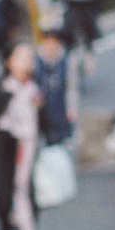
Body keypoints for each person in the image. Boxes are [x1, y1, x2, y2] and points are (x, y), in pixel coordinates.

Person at [0, 42, 44, 230]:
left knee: (27, 189)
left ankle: (27, 228)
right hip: (5, 148)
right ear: (10, 62)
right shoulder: (3, 88)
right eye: (22, 58)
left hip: (29, 146)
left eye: (30, 58)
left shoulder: (35, 90)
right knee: (5, 193)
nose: (27, 63)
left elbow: (45, 120)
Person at [36, 17, 75, 147]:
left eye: (54, 41)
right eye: (47, 41)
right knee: (47, 142)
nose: (51, 46)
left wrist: (72, 108)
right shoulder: (37, 61)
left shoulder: (66, 60)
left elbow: (71, 87)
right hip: (44, 110)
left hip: (61, 107)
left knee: (64, 141)